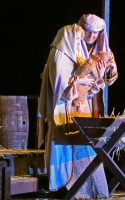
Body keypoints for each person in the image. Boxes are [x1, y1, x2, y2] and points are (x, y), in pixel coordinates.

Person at [37, 23, 111, 199]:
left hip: (78, 112)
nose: (81, 41)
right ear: (67, 38)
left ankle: (88, 191)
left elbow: (84, 91)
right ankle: (68, 190)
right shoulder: (60, 56)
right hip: (63, 112)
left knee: (85, 152)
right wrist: (78, 80)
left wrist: (95, 82)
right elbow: (61, 89)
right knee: (65, 155)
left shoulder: (76, 55)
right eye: (78, 38)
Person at [77, 13, 118, 117]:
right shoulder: (73, 47)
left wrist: (107, 71)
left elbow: (110, 78)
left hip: (94, 95)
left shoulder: (105, 51)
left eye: (95, 33)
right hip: (76, 94)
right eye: (88, 32)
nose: (91, 36)